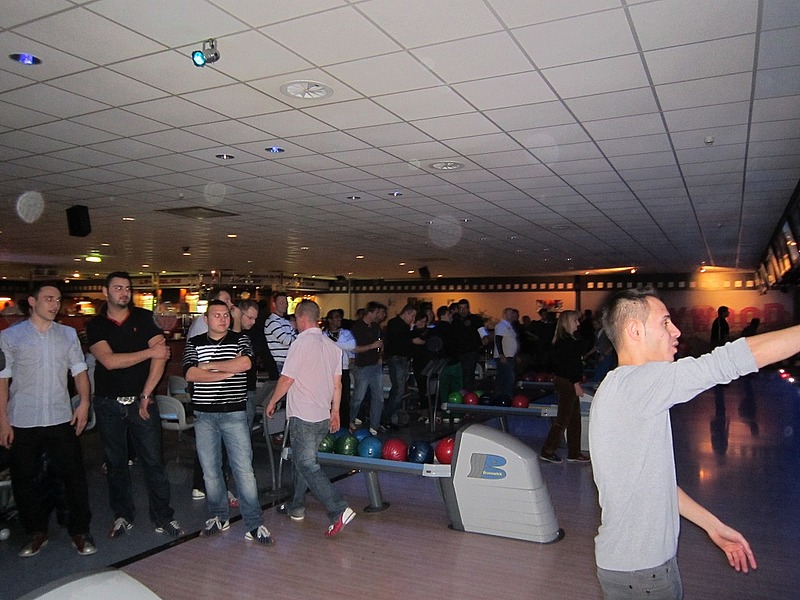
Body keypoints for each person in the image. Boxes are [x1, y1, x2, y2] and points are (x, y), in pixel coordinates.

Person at [587, 288, 797, 599]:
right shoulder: (639, 384)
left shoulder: (620, 389)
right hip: (644, 576)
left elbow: (656, 483)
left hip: (629, 567)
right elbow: (726, 362)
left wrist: (712, 525)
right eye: (665, 322)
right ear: (635, 331)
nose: (676, 331)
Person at [0, 282, 96, 557]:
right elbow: (2, 380)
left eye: (58, 299)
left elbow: (80, 371)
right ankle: (35, 531)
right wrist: (3, 420)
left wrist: (84, 403)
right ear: (32, 301)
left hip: (59, 416)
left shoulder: (67, 334)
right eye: (49, 299)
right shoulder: (10, 336)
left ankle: (79, 530)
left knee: (73, 476)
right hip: (23, 418)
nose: (55, 304)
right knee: (24, 478)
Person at [86, 272, 183, 540]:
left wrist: (146, 394)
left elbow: (161, 356)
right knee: (115, 463)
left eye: (127, 288)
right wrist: (149, 352)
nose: (124, 292)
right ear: (105, 292)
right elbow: (109, 361)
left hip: (142, 401)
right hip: (107, 403)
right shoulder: (96, 325)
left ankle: (163, 516)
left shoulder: (144, 317)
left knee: (153, 461)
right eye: (118, 288)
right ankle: (123, 515)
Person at [183, 300, 273, 545]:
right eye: (217, 315)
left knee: (244, 470)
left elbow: (245, 363)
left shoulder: (240, 339)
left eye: (225, 315)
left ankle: (254, 523)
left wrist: (210, 367)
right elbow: (190, 373)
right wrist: (227, 372)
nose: (222, 319)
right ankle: (218, 516)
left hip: (234, 413)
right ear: (206, 319)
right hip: (204, 416)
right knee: (211, 471)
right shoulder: (194, 343)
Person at [266, 300, 355, 537]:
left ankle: (338, 509)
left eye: (295, 319)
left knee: (306, 464)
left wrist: (272, 401)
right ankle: (296, 506)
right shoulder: (332, 347)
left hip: (303, 416)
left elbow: (287, 379)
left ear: (301, 318)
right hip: (322, 416)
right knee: (302, 461)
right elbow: (338, 384)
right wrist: (335, 412)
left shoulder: (300, 343)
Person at [539, 310, 590, 464]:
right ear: (568, 322)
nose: (578, 323)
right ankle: (548, 450)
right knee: (563, 418)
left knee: (574, 418)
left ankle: (574, 452)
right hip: (567, 382)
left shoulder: (564, 340)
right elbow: (570, 366)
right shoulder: (568, 342)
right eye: (575, 321)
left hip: (564, 380)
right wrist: (576, 384)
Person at [349, 302, 386, 435]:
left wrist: (380, 355)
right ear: (370, 312)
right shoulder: (357, 328)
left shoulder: (375, 327)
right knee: (358, 397)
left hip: (375, 365)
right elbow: (354, 348)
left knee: (379, 397)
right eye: (377, 313)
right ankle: (349, 420)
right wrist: (372, 346)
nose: (379, 316)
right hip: (363, 366)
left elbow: (380, 344)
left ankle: (374, 425)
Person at [383, 304, 422, 427]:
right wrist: (412, 333)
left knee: (398, 390)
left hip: (403, 359)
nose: (413, 319)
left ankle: (392, 418)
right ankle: (387, 417)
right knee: (398, 389)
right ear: (406, 313)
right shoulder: (395, 324)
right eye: (412, 316)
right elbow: (402, 340)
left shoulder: (404, 326)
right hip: (397, 359)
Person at [324, 309, 355, 428]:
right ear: (329, 320)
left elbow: (351, 345)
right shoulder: (323, 335)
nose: (339, 319)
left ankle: (344, 426)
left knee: (344, 399)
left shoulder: (346, 333)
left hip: (343, 369)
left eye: (340, 317)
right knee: (328, 399)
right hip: (328, 371)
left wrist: (332, 345)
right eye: (336, 317)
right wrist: (339, 346)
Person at [450, 299, 489, 391]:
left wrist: (484, 337)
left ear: (468, 308)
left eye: (464, 308)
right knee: (461, 375)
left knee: (469, 374)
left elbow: (481, 330)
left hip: (471, 351)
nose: (462, 310)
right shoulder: (455, 321)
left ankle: (468, 393)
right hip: (459, 352)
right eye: (460, 308)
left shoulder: (475, 319)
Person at [264, 292, 296, 374]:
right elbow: (286, 341)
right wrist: (295, 338)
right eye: (281, 302)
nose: (285, 305)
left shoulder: (286, 321)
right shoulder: (272, 321)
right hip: (279, 361)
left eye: (286, 303)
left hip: (287, 360)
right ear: (274, 304)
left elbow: (293, 339)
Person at [493, 307, 519, 400]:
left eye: (512, 313)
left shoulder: (509, 326)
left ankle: (502, 397)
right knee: (509, 378)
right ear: (504, 315)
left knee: (503, 378)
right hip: (504, 357)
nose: (512, 315)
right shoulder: (501, 326)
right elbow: (498, 340)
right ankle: (506, 397)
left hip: (509, 356)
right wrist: (501, 354)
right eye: (510, 313)